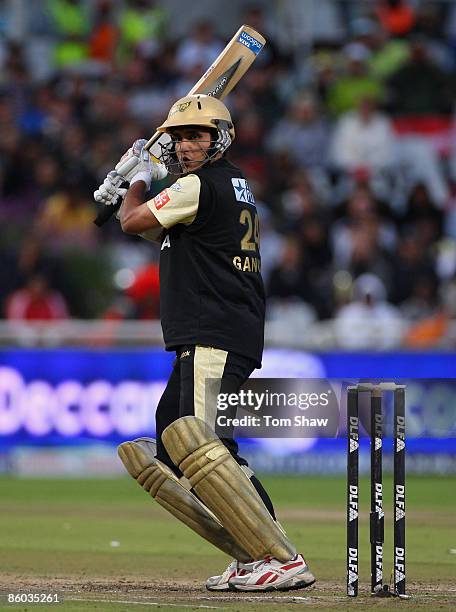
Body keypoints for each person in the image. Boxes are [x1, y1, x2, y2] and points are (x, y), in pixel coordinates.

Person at [94, 94, 315, 592]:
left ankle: (278, 555)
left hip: (214, 330)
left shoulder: (199, 184)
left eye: (198, 135)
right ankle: (250, 552)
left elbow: (134, 221)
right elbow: (161, 233)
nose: (186, 145)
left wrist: (134, 180)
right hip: (220, 329)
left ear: (221, 139)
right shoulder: (225, 187)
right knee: (173, 438)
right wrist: (124, 189)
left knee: (207, 446)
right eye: (179, 137)